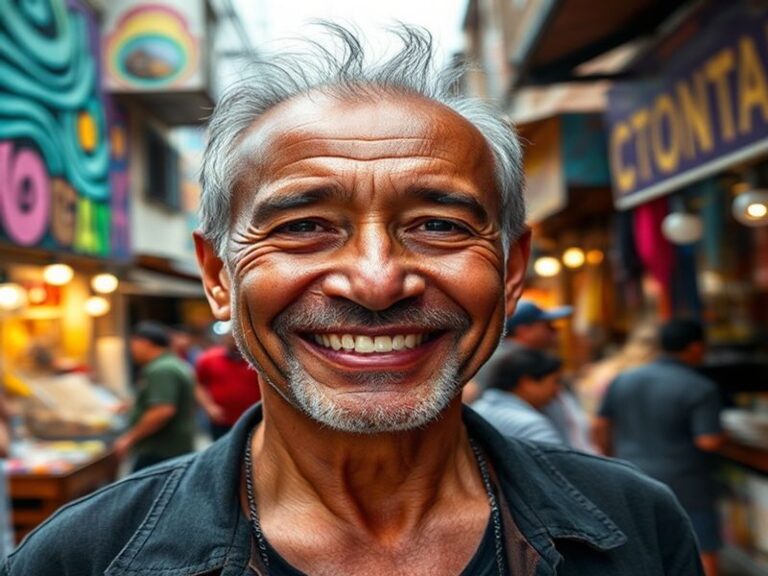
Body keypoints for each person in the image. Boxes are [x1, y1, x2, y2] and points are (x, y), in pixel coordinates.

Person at [4, 25, 704, 575]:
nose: (375, 282)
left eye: (439, 226)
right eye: (304, 227)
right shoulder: (82, 558)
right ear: (219, 274)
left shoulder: (635, 526)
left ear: (512, 267)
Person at [593, 318, 724, 576]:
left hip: (630, 472)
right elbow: (707, 441)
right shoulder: (699, 387)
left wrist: (610, 455)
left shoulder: (623, 379)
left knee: (643, 545)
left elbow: (599, 424)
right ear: (696, 347)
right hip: (687, 482)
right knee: (702, 546)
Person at [113, 321, 197, 471]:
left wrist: (129, 438)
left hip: (162, 450)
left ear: (143, 343)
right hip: (173, 447)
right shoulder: (172, 363)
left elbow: (162, 410)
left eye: (133, 345)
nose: (132, 351)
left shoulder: (161, 369)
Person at [471, 348, 564, 444]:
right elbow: (554, 458)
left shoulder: (476, 410)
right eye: (555, 382)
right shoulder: (530, 425)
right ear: (527, 383)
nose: (557, 390)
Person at [195, 322, 262, 439]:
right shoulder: (208, 359)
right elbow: (198, 385)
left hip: (255, 418)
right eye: (229, 337)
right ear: (223, 339)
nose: (233, 340)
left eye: (236, 336)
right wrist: (209, 407)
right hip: (222, 420)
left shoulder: (256, 359)